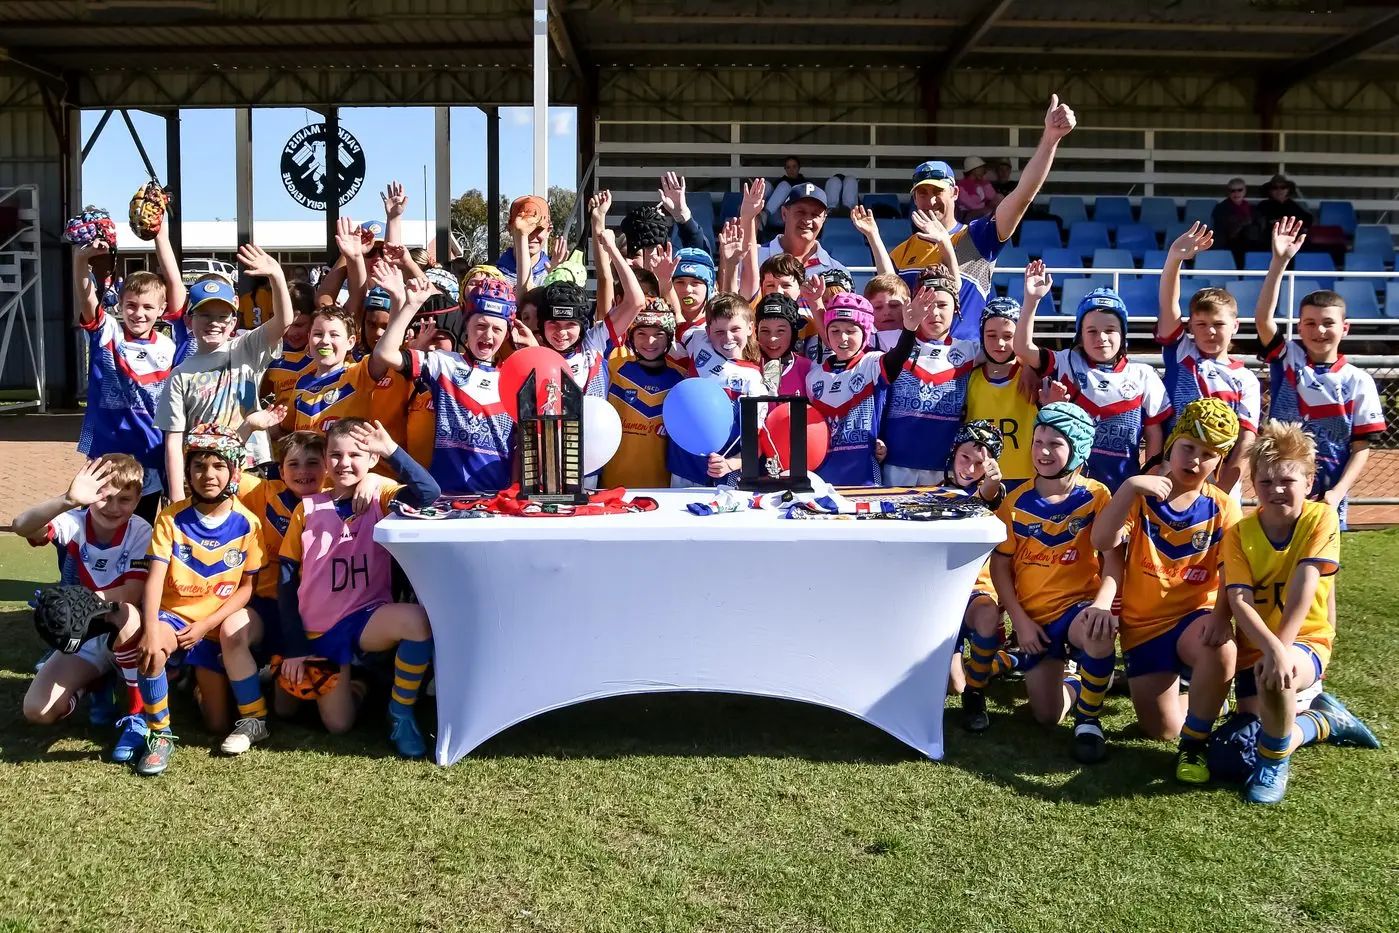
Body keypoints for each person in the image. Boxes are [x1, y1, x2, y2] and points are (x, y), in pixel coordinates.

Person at [1222, 421, 1380, 804]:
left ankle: (1274, 764)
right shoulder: (1239, 533)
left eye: (1287, 481)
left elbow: (1305, 587)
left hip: (1304, 639)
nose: (1276, 490)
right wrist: (1269, 649)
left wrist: (1280, 649)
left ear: (1309, 482)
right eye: (1265, 481)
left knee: (1278, 680)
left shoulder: (1320, 518)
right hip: (1255, 643)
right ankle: (1323, 721)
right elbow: (1239, 601)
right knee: (1258, 724)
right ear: (1253, 484)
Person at [1090, 399, 1243, 778]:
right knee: (1161, 730)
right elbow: (1101, 539)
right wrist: (1127, 487)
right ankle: (1213, 700)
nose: (1194, 461)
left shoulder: (1223, 507)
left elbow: (1232, 575)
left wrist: (1222, 617)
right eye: (1188, 448)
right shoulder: (1141, 496)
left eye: (1207, 454)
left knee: (1220, 647)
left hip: (1194, 617)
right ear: (1171, 444)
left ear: (1219, 462)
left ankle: (1195, 748)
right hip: (1142, 628)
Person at [277, 418, 441, 758]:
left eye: (356, 454)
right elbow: (286, 581)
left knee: (417, 622)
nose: (344, 463)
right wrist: (294, 646)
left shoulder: (381, 496)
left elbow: (429, 494)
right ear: (325, 459)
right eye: (335, 455)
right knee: (334, 724)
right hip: (318, 629)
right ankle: (359, 683)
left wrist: (390, 455)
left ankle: (400, 712)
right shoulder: (306, 509)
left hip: (365, 617)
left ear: (370, 459)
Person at [984, 402, 1120, 758]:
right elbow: (1000, 567)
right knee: (1046, 716)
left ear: (1078, 449)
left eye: (1056, 444)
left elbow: (1113, 562)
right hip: (1034, 622)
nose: (1043, 451)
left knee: (1097, 629)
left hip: (1077, 609)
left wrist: (1102, 606)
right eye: (1038, 441)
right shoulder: (1014, 502)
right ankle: (1077, 678)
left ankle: (1089, 721)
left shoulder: (1097, 497)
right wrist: (1021, 623)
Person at [133, 426, 268, 776]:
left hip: (214, 624)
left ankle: (221, 697)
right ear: (187, 471)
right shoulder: (170, 516)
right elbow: (155, 578)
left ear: (234, 471)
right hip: (174, 618)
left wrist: (206, 625)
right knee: (150, 650)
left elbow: (246, 589)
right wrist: (150, 629)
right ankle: (159, 735)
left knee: (216, 723)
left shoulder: (248, 523)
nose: (208, 475)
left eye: (218, 466)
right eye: (198, 466)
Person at [888, 94, 1078, 340]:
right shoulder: (900, 253)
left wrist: (1051, 139)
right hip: (916, 365)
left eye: (938, 191)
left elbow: (1022, 196)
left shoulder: (978, 236)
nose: (930, 199)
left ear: (955, 193)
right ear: (914, 198)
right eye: (922, 193)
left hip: (967, 363)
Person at [12, 456, 154, 762]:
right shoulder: (75, 521)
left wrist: (78, 602)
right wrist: (67, 500)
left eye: (125, 499)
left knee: (127, 613)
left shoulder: (141, 530)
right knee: (38, 711)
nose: (114, 507)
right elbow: (21, 526)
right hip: (84, 631)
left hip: (122, 632)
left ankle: (136, 714)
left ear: (138, 499)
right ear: (91, 494)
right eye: (104, 497)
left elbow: (133, 591)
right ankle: (93, 685)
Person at [1255, 217, 1385, 529]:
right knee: (1275, 566)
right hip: (1279, 486)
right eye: (1310, 323)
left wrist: (1338, 493)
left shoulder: (1359, 381)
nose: (1319, 330)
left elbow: (1361, 449)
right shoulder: (1288, 358)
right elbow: (1262, 319)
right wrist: (1278, 262)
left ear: (1345, 328)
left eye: (1328, 322)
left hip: (1328, 496)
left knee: (1322, 572)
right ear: (1299, 327)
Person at [372, 271, 531, 495]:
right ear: (466, 327)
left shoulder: (514, 378)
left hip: (496, 500)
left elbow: (521, 445)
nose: (487, 335)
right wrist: (410, 306)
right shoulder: (444, 364)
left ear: (507, 334)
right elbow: (385, 354)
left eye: (497, 329)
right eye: (480, 326)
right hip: (447, 498)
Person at [1015, 262, 1171, 491]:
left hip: (1122, 491)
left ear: (1123, 333)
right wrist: (1031, 301)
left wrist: (1148, 479)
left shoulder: (1143, 375)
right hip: (1070, 492)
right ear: (1080, 334)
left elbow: (1154, 435)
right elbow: (1022, 348)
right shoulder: (1066, 362)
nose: (1102, 338)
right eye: (1092, 331)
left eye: (1110, 330)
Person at [157, 245, 294, 500]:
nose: (214, 322)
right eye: (205, 315)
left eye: (222, 316)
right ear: (189, 321)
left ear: (233, 322)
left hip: (252, 465)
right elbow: (174, 440)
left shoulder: (247, 347)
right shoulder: (180, 375)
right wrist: (177, 498)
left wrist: (276, 275)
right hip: (205, 474)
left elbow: (284, 322)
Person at [72, 223, 184, 522]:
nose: (139, 313)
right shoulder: (107, 331)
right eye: (131, 305)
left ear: (161, 310)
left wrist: (161, 235)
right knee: (96, 531)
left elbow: (177, 290)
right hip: (105, 457)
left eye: (148, 307)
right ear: (119, 304)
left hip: (151, 456)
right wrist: (82, 260)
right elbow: (87, 300)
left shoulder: (170, 347)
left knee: (141, 535)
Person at [1157, 222, 1261, 496]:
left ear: (1236, 326)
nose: (1210, 331)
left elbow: (1246, 439)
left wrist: (1223, 491)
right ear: (1189, 326)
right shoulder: (1182, 353)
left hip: (1219, 482)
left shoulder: (1246, 379)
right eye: (1201, 324)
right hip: (1171, 474)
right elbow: (1169, 304)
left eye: (1219, 324)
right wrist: (1174, 259)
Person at [804, 292, 926, 486]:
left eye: (851, 330)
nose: (842, 338)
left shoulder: (872, 363)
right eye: (834, 330)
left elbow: (897, 358)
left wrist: (910, 330)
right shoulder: (813, 376)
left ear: (865, 333)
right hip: (821, 473)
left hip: (864, 473)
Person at [881, 266, 978, 487]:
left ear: (956, 307)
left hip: (943, 470)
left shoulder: (972, 351)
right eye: (927, 305)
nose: (934, 313)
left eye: (943, 305)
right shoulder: (889, 343)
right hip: (895, 467)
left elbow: (1012, 354)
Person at [667, 292, 767, 487]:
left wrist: (731, 464)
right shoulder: (698, 339)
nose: (728, 337)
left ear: (750, 328)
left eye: (735, 329)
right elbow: (680, 324)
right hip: (684, 466)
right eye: (719, 332)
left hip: (722, 473)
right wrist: (665, 285)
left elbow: (756, 441)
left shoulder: (753, 379)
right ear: (707, 331)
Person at [942, 420, 1009, 706]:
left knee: (987, 616)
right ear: (953, 453)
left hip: (975, 592)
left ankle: (978, 690)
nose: (969, 469)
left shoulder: (995, 495)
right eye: (964, 458)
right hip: (941, 595)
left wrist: (991, 485)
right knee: (953, 686)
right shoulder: (931, 491)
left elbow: (983, 501)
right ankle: (1004, 659)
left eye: (979, 463)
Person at [533, 232, 643, 399]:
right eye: (554, 323)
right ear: (541, 324)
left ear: (582, 325)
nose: (561, 332)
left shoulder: (593, 343)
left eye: (570, 324)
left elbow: (636, 301)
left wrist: (612, 249)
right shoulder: (534, 354)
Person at [602, 298, 688, 489]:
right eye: (641, 333)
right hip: (613, 484)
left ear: (669, 337)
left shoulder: (681, 378)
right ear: (631, 336)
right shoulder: (614, 366)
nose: (649, 341)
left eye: (658, 334)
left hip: (662, 488)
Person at [964, 296, 1039, 484]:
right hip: (979, 478)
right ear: (981, 335)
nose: (1000, 343)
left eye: (1008, 336)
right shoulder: (968, 378)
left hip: (1025, 480)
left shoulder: (1036, 377)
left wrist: (1029, 364)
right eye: (991, 335)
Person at [743, 178, 850, 285]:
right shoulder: (755, 258)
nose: (807, 220)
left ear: (823, 219)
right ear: (784, 214)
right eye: (801, 212)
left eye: (815, 214)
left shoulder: (837, 272)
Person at [258, 283, 317, 413]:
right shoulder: (271, 354)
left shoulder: (325, 352)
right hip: (283, 427)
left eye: (299, 325)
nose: (291, 333)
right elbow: (259, 394)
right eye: (285, 325)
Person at [754, 293, 812, 396]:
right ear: (756, 332)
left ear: (794, 333)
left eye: (780, 331)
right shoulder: (748, 369)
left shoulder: (808, 369)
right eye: (765, 331)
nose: (772, 338)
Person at [498, 195, 551, 289]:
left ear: (548, 231)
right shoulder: (493, 276)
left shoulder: (554, 275)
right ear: (509, 229)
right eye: (522, 229)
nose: (529, 235)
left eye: (538, 229)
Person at [1211, 177, 1267, 263]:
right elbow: (1223, 228)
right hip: (1228, 245)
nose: (1236, 193)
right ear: (1228, 192)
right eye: (1232, 191)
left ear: (1245, 191)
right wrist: (1242, 223)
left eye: (1239, 190)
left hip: (1250, 244)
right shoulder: (1221, 208)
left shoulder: (1252, 209)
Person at [766, 155, 808, 220]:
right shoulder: (780, 181)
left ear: (799, 168)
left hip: (789, 216)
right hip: (771, 215)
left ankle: (765, 214)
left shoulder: (805, 183)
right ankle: (757, 213)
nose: (791, 170)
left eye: (794, 166)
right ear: (785, 169)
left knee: (785, 185)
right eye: (788, 167)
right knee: (766, 184)